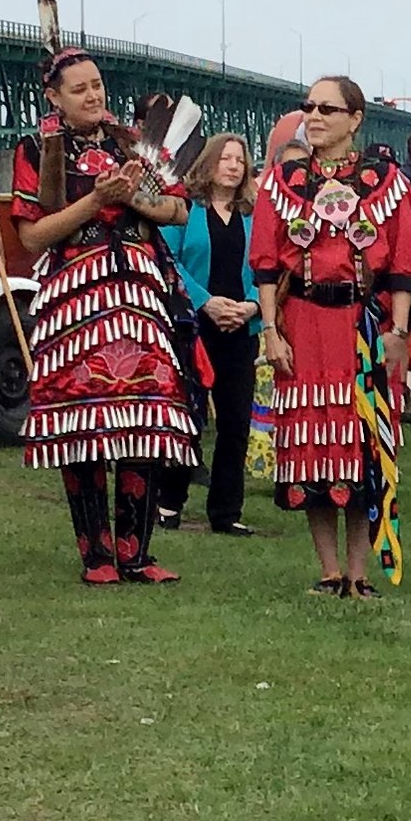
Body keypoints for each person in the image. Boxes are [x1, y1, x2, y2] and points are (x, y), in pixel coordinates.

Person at [13, 31, 197, 585]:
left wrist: (134, 198)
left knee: (145, 410)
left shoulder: (131, 142)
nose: (92, 95)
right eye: (79, 88)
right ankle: (96, 554)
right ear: (54, 96)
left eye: (97, 85)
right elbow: (32, 236)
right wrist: (96, 201)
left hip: (138, 288)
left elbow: (178, 209)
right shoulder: (35, 151)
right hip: (75, 292)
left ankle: (136, 552)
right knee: (84, 413)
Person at [253, 77, 411, 597]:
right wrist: (270, 331)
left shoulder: (386, 180)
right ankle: (328, 572)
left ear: (355, 118)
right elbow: (263, 262)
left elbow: (401, 262)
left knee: (361, 441)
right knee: (311, 442)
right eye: (309, 107)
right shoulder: (283, 181)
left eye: (328, 108)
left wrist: (396, 330)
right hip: (301, 323)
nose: (315, 116)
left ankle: (358, 573)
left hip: (362, 323)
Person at [156, 133, 261, 535]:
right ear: (209, 163)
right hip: (196, 328)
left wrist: (251, 305)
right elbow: (168, 261)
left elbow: (268, 266)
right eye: (226, 158)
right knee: (189, 415)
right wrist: (204, 302)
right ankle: (169, 501)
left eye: (240, 159)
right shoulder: (186, 210)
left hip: (241, 326)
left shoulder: (254, 214)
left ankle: (226, 512)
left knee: (235, 421)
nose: (233, 166)